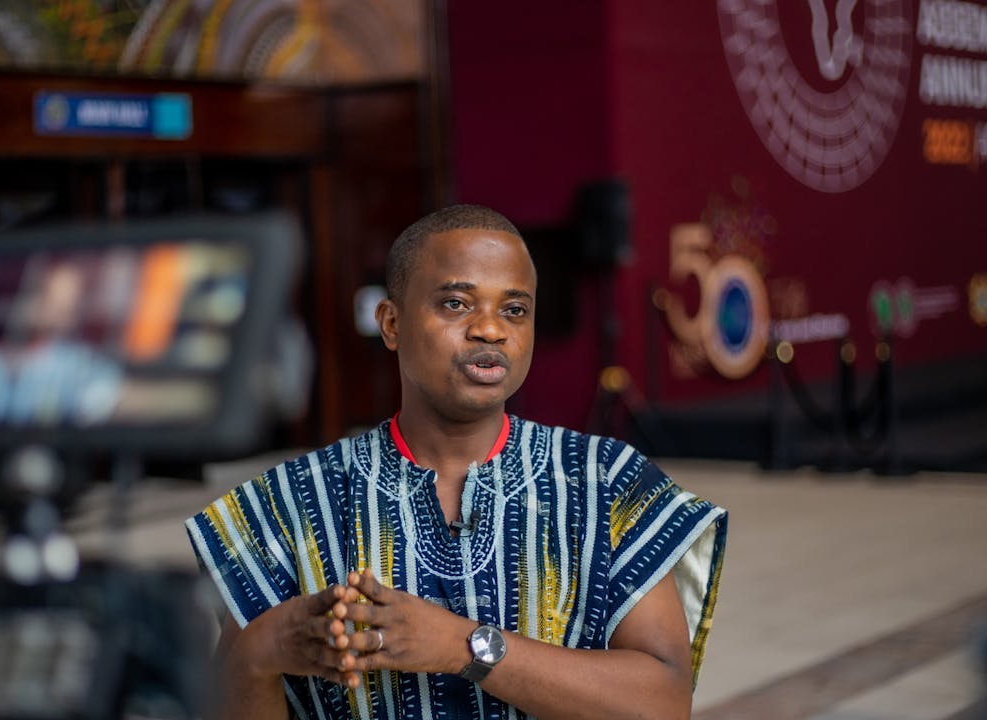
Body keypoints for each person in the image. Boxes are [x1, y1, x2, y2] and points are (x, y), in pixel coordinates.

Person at [185, 204, 728, 719]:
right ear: (391, 324)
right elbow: (234, 687)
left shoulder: (605, 480)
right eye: (456, 304)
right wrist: (262, 649)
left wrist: (460, 645)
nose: (490, 329)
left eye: (514, 310)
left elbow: (663, 701)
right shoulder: (291, 503)